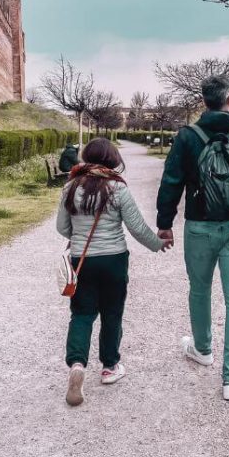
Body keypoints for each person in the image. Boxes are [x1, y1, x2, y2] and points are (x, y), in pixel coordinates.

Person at [155, 74, 229, 401]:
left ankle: (203, 348)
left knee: (200, 288)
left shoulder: (188, 137)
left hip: (199, 225)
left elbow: (171, 181)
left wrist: (165, 223)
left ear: (203, 102)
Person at [57, 137, 168, 407]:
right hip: (114, 259)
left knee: (82, 314)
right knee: (112, 313)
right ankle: (109, 366)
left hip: (82, 261)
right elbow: (137, 227)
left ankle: (77, 363)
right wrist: (157, 244)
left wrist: (79, 234)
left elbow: (62, 228)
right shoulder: (117, 188)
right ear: (112, 158)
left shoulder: (71, 186)